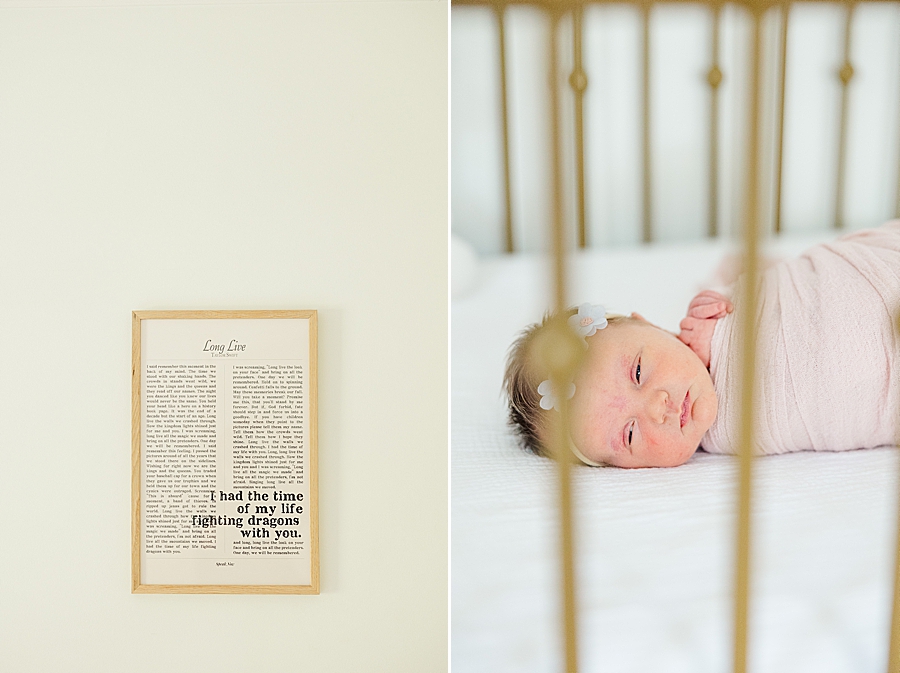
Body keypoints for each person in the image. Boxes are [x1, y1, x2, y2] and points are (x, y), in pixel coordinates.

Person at [504, 221, 900, 468]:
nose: (658, 407)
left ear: (650, 325)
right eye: (629, 434)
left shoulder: (709, 317)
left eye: (639, 372)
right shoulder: (720, 439)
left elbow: (778, 288)